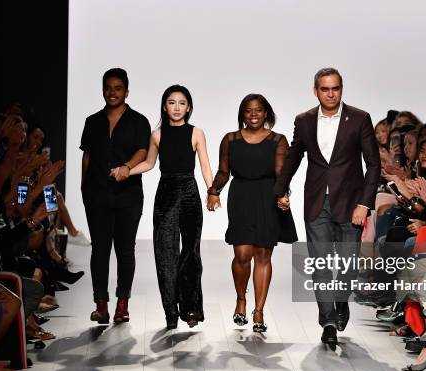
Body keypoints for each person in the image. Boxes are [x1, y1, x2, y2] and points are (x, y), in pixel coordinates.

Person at [274, 68, 380, 347]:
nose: (330, 94)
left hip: (351, 204)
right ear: (315, 90)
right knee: (320, 265)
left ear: (341, 89)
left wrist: (364, 204)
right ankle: (328, 320)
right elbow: (294, 157)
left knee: (347, 266)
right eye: (325, 89)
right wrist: (281, 188)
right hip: (317, 201)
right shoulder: (305, 120)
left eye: (335, 88)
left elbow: (373, 164)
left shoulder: (359, 118)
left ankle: (341, 303)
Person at [207, 94, 297, 333]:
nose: (254, 114)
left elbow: (281, 173)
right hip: (241, 196)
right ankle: (240, 299)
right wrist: (214, 190)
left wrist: (283, 195)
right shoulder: (230, 139)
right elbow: (223, 171)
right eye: (248, 110)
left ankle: (258, 310)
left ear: (266, 112)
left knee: (263, 255)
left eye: (258, 110)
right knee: (242, 254)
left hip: (268, 197)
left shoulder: (278, 140)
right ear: (242, 114)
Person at [127, 85, 213, 329]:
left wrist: (212, 191)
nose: (177, 107)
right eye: (172, 102)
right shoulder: (157, 135)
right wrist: (126, 172)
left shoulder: (197, 133)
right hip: (165, 194)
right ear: (164, 106)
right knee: (165, 254)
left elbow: (205, 165)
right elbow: (149, 164)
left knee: (191, 252)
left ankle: (191, 308)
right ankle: (170, 312)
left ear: (189, 107)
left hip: (190, 193)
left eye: (182, 103)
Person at [80, 68, 151, 324]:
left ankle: (123, 304)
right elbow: (87, 155)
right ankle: (101, 304)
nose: (112, 92)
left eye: (118, 88)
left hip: (128, 195)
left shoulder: (139, 121)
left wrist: (127, 168)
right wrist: (83, 186)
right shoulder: (92, 121)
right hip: (96, 193)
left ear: (126, 91)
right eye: (108, 88)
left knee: (125, 249)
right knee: (99, 249)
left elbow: (143, 151)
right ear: (103, 91)